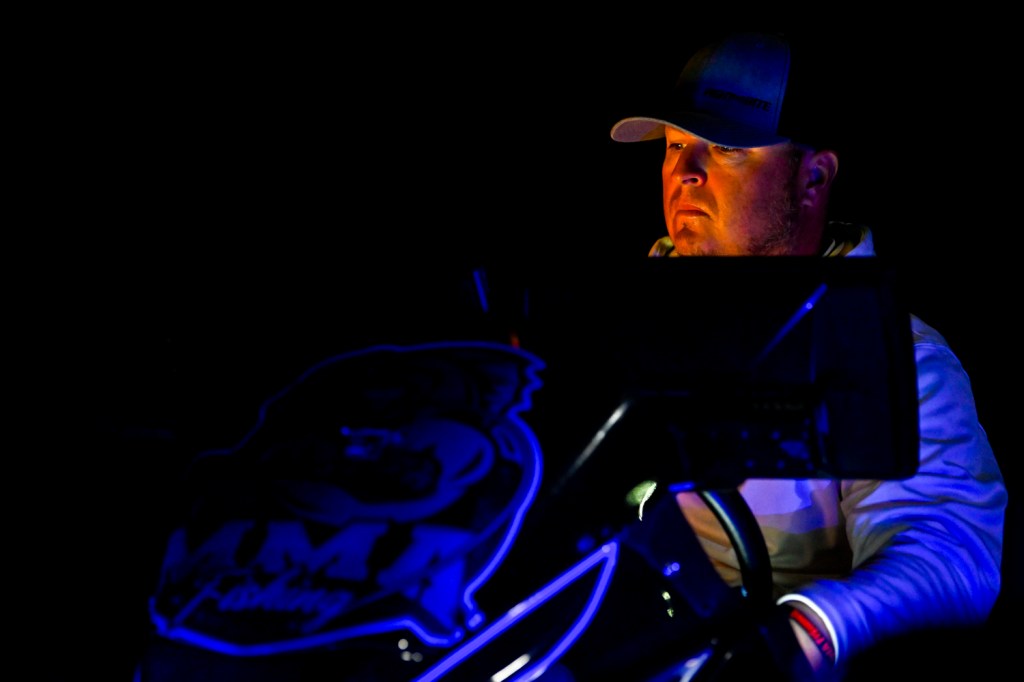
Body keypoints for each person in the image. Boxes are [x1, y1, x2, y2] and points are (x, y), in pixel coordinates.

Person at [608, 31, 1007, 680]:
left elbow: (949, 558)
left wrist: (791, 641)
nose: (686, 172)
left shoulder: (899, 359)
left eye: (727, 148)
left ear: (813, 177)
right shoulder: (607, 328)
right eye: (676, 145)